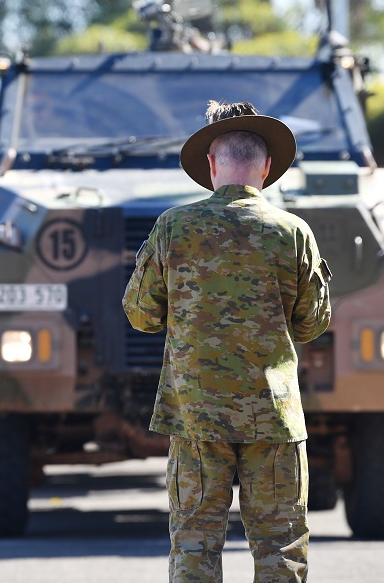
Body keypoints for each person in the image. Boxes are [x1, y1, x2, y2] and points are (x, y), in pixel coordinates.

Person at [122, 101, 331, 583]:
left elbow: (140, 314)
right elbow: (312, 323)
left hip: (196, 417)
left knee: (194, 543)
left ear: (212, 166)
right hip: (273, 417)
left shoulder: (173, 227)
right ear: (268, 167)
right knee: (281, 548)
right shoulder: (293, 232)